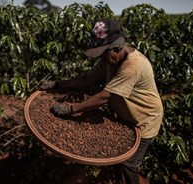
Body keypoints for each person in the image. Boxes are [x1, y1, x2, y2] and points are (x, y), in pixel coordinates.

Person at [40, 19, 163, 184]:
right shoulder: (109, 60)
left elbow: (105, 96)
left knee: (128, 164)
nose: (102, 58)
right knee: (118, 158)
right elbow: (87, 79)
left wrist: (71, 109)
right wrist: (58, 84)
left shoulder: (133, 66)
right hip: (126, 116)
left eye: (105, 53)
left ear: (117, 48)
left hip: (144, 119)